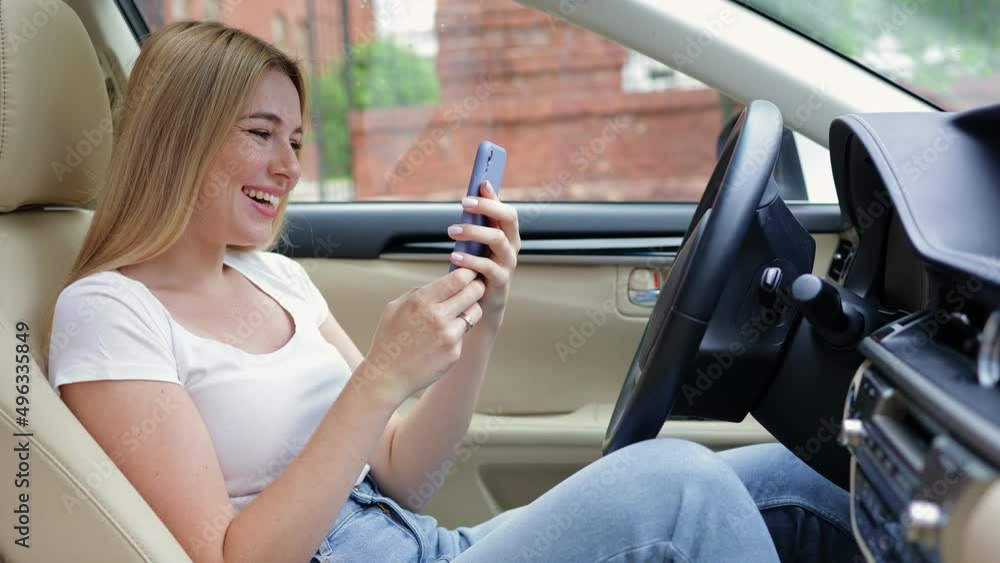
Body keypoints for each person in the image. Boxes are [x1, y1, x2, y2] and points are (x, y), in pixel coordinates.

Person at [43, 21, 860, 563]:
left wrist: (482, 321)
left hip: (422, 543)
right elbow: (230, 556)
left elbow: (403, 477)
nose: (289, 167)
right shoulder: (110, 311)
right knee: (680, 487)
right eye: (260, 134)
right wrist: (377, 379)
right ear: (176, 138)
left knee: (793, 478)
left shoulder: (272, 274)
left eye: (294, 139)